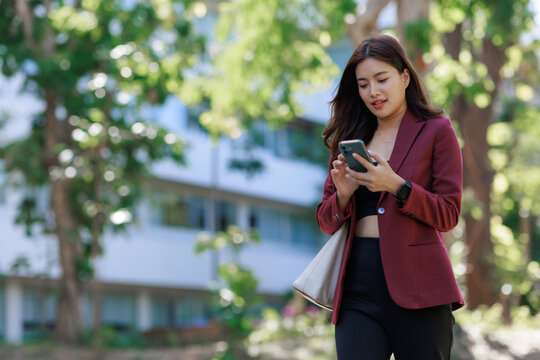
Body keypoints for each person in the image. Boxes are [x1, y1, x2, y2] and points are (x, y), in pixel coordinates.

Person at [316, 34, 464, 360]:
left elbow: (449, 214)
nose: (373, 92)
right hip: (357, 287)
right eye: (363, 84)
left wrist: (397, 185)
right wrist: (342, 195)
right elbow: (326, 221)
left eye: (382, 79)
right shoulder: (350, 136)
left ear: (405, 77)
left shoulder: (437, 130)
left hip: (422, 286)